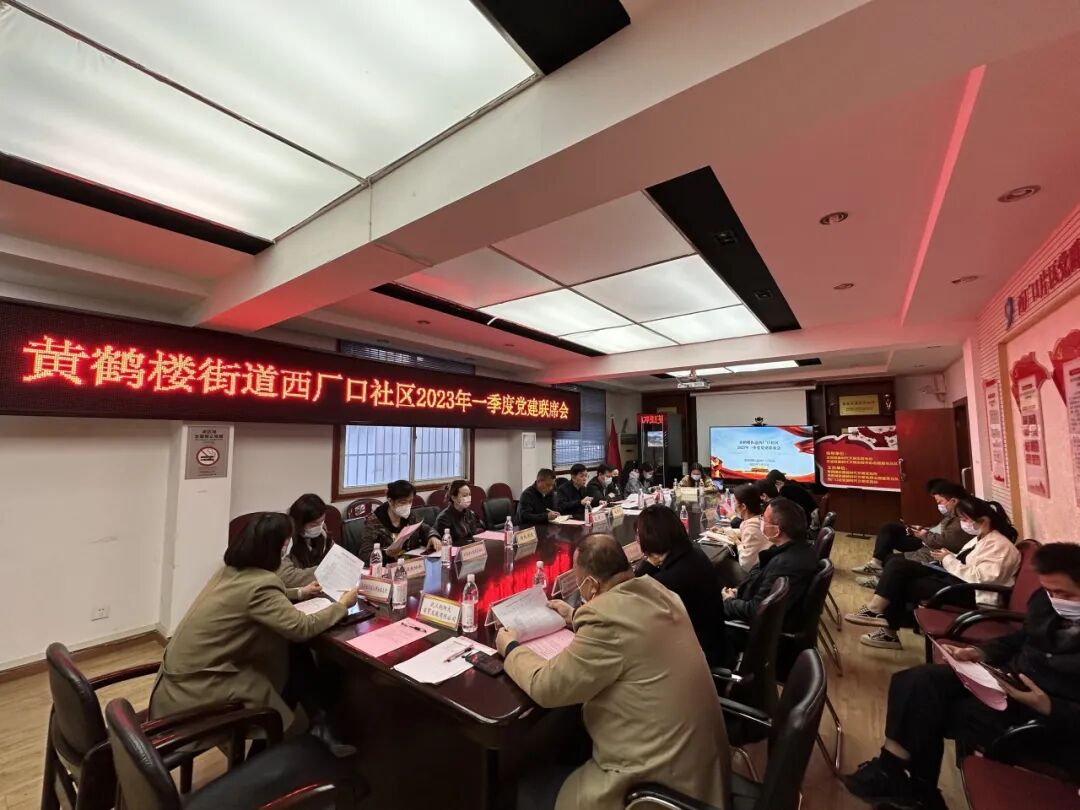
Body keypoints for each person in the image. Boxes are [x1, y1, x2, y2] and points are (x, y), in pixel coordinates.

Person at [496, 534, 731, 810]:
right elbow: (626, 624)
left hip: (655, 783)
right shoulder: (660, 592)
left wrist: (511, 648)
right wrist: (574, 616)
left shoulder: (605, 621)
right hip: (701, 768)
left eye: (579, 582)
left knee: (524, 787)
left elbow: (546, 687)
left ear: (591, 585)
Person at [842, 542, 1080, 810]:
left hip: (1050, 718)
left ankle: (907, 785)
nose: (1055, 600)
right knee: (915, 681)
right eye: (1049, 591)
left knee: (928, 708)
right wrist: (979, 652)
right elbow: (1021, 638)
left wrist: (1049, 706)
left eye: (1064, 594)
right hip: (1009, 680)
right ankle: (898, 775)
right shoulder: (1046, 602)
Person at [149, 513, 357, 744]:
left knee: (293, 656)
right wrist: (342, 605)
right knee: (293, 654)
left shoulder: (230, 571)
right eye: (285, 543)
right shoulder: (261, 584)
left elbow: (253, 596)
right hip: (200, 689)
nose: (287, 548)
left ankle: (313, 722)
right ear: (274, 548)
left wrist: (300, 592)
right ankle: (305, 732)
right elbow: (301, 627)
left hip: (177, 680)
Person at [845, 496, 1021, 650]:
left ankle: (883, 624)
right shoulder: (981, 538)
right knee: (898, 564)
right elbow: (967, 561)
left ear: (983, 520)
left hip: (973, 593)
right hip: (956, 579)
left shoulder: (1001, 546)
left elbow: (982, 578)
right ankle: (879, 615)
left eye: (964, 519)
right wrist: (948, 556)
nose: (963, 523)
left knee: (903, 581)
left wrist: (948, 559)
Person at [636, 505, 726, 666]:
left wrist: (647, 562)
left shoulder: (667, 581)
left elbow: (633, 591)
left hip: (697, 659)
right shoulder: (694, 553)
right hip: (715, 643)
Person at [722, 497, 818, 632]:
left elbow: (756, 611)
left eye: (764, 520)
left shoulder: (784, 565)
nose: (761, 522)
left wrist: (729, 601)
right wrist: (739, 592)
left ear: (777, 530)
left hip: (756, 632)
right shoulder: (799, 548)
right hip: (759, 609)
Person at [852, 480, 970, 588]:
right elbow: (939, 530)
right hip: (928, 541)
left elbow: (946, 541)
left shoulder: (962, 518)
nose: (939, 506)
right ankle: (875, 565)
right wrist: (924, 529)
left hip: (931, 549)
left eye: (940, 502)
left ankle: (881, 581)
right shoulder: (952, 513)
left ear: (953, 500)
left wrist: (924, 535)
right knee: (889, 528)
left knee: (890, 559)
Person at [356, 480, 440, 564]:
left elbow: (425, 529)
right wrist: (386, 554)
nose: (407, 506)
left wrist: (432, 536)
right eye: (403, 502)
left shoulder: (410, 517)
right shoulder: (373, 522)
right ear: (390, 501)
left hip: (410, 563)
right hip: (387, 566)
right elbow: (365, 555)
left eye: (410, 501)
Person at [277, 493, 332, 590]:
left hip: (320, 587)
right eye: (313, 525)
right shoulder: (286, 539)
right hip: (297, 592)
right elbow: (286, 576)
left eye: (322, 521)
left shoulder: (322, 532)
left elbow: (335, 557)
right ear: (299, 523)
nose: (319, 527)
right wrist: (324, 571)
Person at [730, 482, 769, 572]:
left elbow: (745, 564)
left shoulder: (751, 529)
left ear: (743, 506)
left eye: (735, 501)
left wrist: (738, 543)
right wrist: (723, 531)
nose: (734, 505)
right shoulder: (759, 520)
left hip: (757, 574)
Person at [435, 479, 484, 546]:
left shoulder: (469, 513)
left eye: (469, 494)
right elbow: (446, 543)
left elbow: (473, 534)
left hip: (470, 548)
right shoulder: (444, 518)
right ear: (453, 498)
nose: (468, 498)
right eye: (464, 495)